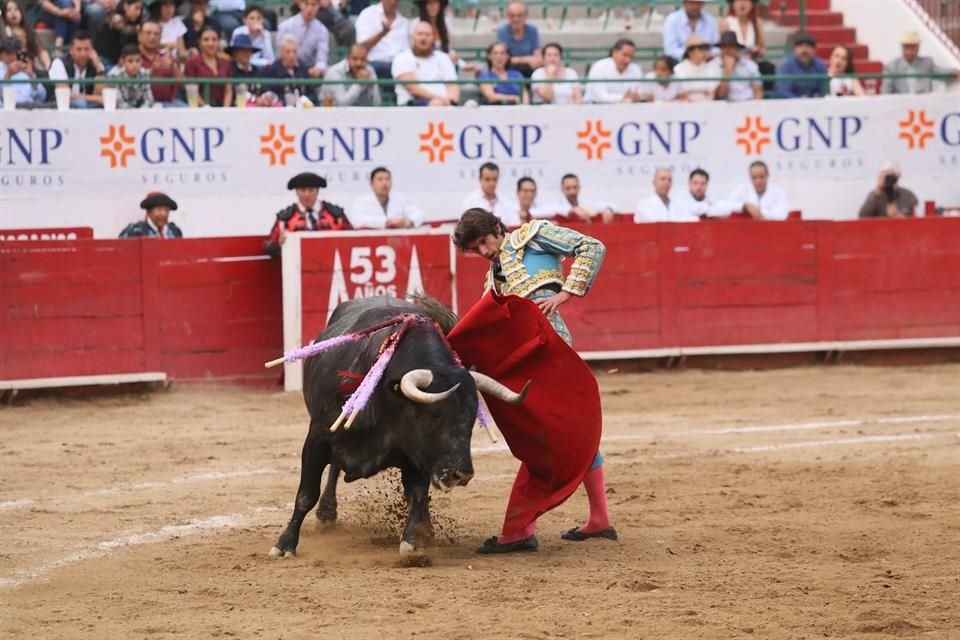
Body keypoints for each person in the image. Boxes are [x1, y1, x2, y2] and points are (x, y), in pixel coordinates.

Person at [451, 209, 615, 553]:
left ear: (497, 228)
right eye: (474, 249)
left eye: (484, 241)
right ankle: (598, 519)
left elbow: (591, 246)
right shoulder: (492, 280)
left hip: (553, 352)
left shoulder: (532, 236)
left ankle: (518, 530)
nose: (483, 251)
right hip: (525, 361)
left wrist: (565, 294)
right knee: (570, 432)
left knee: (547, 437)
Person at [264, 172, 351, 257]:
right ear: (297, 192)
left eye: (311, 190)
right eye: (302, 190)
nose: (307, 194)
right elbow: (268, 246)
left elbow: (352, 238)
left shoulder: (335, 214)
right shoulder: (285, 218)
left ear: (317, 191)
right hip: (297, 267)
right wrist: (278, 244)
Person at [391, 21, 458, 107]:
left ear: (433, 38)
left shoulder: (443, 57)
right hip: (412, 105)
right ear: (412, 37)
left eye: (427, 35)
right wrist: (440, 99)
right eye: (420, 34)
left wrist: (451, 100)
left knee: (471, 106)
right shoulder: (402, 58)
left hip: (445, 104)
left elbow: (453, 85)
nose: (423, 38)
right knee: (437, 104)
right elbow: (412, 89)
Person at [882, 31, 960, 94]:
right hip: (900, 108)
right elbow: (886, 92)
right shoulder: (891, 67)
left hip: (924, 106)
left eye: (913, 48)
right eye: (907, 47)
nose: (909, 52)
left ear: (918, 48)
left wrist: (953, 71)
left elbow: (940, 72)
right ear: (902, 48)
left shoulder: (927, 62)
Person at [349, 167, 424, 229]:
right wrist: (386, 222)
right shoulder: (362, 201)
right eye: (380, 179)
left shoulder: (400, 198)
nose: (384, 183)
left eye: (387, 179)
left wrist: (409, 221)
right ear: (371, 184)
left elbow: (419, 213)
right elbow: (356, 221)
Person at [49, 31, 105, 108]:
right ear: (71, 50)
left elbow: (100, 94)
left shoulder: (96, 63)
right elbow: (64, 94)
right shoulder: (59, 63)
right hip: (62, 106)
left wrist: (99, 68)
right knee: (80, 103)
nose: (83, 53)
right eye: (79, 49)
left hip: (89, 105)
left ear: (92, 50)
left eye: (86, 49)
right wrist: (95, 98)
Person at [354, 0, 408, 79]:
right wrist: (382, 33)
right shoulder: (368, 14)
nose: (393, 2)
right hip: (374, 64)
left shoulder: (404, 22)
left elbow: (407, 51)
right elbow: (361, 46)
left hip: (399, 66)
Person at [184, 25, 233, 107]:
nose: (211, 43)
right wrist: (206, 108)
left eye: (214, 40)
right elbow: (191, 91)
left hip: (222, 108)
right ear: (199, 42)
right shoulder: (191, 63)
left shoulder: (225, 63)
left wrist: (225, 110)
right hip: (200, 109)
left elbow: (228, 90)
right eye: (206, 40)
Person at [277, 0, 328, 78]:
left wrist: (318, 68)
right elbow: (278, 54)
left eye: (314, 5)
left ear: (318, 6)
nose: (310, 8)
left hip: (309, 73)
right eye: (306, 4)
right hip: (285, 71)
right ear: (300, 4)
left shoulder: (322, 30)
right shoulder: (285, 26)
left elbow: (321, 59)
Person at [724, 160, 790, 220]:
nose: (758, 181)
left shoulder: (778, 191)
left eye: (761, 177)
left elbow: (782, 215)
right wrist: (745, 207)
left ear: (767, 175)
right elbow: (726, 207)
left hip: (771, 230)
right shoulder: (742, 189)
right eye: (754, 177)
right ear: (749, 176)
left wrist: (758, 212)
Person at [138, 20, 183, 106]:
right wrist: (152, 71)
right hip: (142, 104)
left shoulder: (167, 56)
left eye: (156, 34)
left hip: (170, 103)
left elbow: (182, 85)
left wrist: (173, 67)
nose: (152, 37)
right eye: (148, 33)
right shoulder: (131, 57)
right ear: (139, 36)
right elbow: (129, 84)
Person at [584, 38, 642, 104]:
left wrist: (637, 97)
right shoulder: (599, 67)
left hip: (626, 109)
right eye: (624, 55)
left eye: (631, 57)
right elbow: (599, 97)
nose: (627, 60)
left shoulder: (635, 68)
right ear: (614, 52)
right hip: (596, 109)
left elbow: (638, 93)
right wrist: (623, 97)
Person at [634, 168, 700, 223]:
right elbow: (656, 225)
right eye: (662, 179)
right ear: (654, 182)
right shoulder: (644, 205)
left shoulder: (678, 204)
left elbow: (692, 220)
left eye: (669, 180)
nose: (666, 182)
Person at [2, 0, 52, 71]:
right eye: (9, 10)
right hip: (10, 70)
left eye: (16, 9)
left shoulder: (29, 31)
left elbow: (41, 51)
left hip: (31, 70)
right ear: (4, 15)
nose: (13, 13)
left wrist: (48, 65)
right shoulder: (3, 32)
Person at [263, 34, 314, 103]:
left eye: (294, 52)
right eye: (288, 52)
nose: (291, 55)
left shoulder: (303, 68)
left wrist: (304, 100)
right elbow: (268, 94)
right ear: (280, 52)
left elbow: (312, 94)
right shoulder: (271, 69)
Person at [774, 32, 827, 99]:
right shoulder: (785, 65)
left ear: (814, 50)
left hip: (814, 106)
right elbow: (782, 92)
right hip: (790, 106)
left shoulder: (820, 65)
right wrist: (800, 101)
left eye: (808, 46)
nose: (804, 50)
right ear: (794, 49)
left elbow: (823, 90)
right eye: (800, 46)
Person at [495, 1, 540, 77]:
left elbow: (537, 55)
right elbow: (503, 58)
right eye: (512, 16)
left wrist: (534, 60)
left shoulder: (532, 30)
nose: (516, 19)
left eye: (520, 15)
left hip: (530, 69)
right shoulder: (502, 31)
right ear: (508, 17)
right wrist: (527, 59)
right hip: (509, 70)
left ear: (526, 16)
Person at [714, 30, 762, 101]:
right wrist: (727, 71)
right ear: (721, 49)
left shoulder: (750, 65)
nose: (728, 50)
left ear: (737, 48)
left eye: (731, 46)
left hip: (749, 104)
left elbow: (758, 91)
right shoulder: (714, 65)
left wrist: (755, 107)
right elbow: (721, 94)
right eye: (724, 46)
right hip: (726, 107)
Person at [93, 0, 143, 68]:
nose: (139, 13)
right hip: (105, 60)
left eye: (140, 9)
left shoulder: (135, 22)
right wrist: (139, 29)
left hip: (122, 61)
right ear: (126, 6)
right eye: (136, 8)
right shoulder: (116, 18)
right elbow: (124, 29)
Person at [0, 36, 46, 107]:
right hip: (11, 108)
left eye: (15, 53)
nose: (13, 57)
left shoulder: (23, 67)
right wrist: (8, 75)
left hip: (32, 106)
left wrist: (31, 76)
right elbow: (3, 98)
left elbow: (42, 96)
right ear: (1, 54)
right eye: (9, 53)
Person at [674, 34, 719, 102]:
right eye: (700, 49)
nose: (704, 52)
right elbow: (683, 92)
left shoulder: (711, 67)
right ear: (690, 52)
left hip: (707, 106)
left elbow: (711, 91)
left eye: (706, 48)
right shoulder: (678, 69)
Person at [107, 43, 154, 107]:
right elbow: (119, 102)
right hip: (120, 113)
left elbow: (149, 99)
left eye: (137, 61)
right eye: (130, 61)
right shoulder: (114, 75)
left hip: (141, 112)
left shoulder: (144, 74)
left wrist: (141, 111)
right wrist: (133, 114)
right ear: (123, 62)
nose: (134, 65)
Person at [478, 41, 526, 105]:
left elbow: (525, 95)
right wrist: (514, 98)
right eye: (495, 53)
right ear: (489, 56)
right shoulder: (485, 75)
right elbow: (491, 96)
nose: (499, 56)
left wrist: (524, 105)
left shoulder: (517, 74)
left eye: (502, 53)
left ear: (508, 56)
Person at [120, 192, 184, 238]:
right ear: (148, 212)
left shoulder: (174, 231)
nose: (163, 213)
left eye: (166, 210)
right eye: (159, 209)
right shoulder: (136, 230)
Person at [230, 4, 274, 69]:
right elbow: (235, 57)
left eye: (259, 18)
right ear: (245, 20)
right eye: (252, 18)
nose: (255, 21)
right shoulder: (238, 32)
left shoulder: (266, 34)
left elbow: (271, 59)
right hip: (241, 66)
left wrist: (263, 38)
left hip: (260, 68)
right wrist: (263, 62)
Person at [226, 33, 264, 103]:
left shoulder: (256, 71)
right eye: (242, 51)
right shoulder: (229, 69)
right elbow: (234, 89)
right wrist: (255, 99)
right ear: (235, 52)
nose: (246, 53)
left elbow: (262, 89)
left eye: (248, 50)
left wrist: (266, 97)